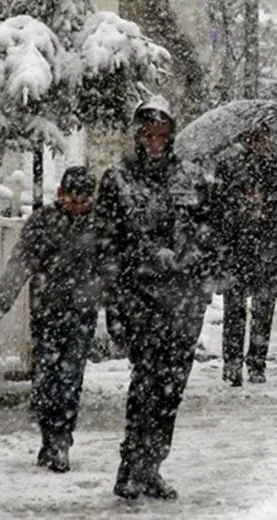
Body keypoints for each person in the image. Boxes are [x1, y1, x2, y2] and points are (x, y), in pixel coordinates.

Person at [96, 96, 212, 500]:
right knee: (146, 384)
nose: (155, 142)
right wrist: (115, 301)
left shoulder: (191, 178)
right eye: (148, 134)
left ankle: (152, 466)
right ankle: (130, 465)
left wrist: (195, 265)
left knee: (171, 389)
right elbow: (107, 245)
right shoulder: (118, 180)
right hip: (141, 299)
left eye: (161, 134)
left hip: (183, 302)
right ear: (138, 136)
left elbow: (209, 234)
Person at [0, 166, 99, 473]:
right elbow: (22, 260)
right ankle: (50, 436)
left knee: (70, 379)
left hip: (82, 312)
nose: (77, 206)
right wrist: (4, 296)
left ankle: (62, 439)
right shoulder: (43, 222)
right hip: (48, 312)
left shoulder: (99, 225)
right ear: (60, 194)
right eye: (72, 199)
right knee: (47, 378)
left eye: (84, 201)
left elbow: (112, 268)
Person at [208, 121, 277, 387]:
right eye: (255, 137)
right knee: (235, 308)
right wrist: (241, 207)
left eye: (263, 137)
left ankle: (256, 362)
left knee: (263, 308)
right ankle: (233, 363)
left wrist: (268, 205)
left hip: (265, 245)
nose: (260, 142)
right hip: (237, 245)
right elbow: (218, 207)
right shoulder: (228, 166)